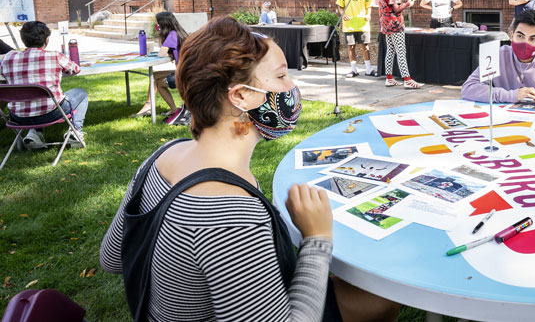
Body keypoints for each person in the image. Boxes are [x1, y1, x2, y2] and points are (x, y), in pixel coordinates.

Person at [100, 17, 400, 322]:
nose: (292, 87)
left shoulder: (162, 156)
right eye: (282, 76)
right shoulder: (231, 215)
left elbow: (111, 256)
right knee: (381, 298)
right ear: (241, 96)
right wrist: (317, 238)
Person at [0, 21, 87, 149]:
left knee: (33, 100)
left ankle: (34, 133)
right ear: (46, 39)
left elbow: (3, 73)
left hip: (17, 117)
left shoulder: (8, 58)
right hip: (50, 114)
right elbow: (75, 69)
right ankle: (75, 132)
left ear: (23, 39)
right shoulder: (55, 56)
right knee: (81, 93)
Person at [132, 12, 188, 120]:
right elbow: (171, 53)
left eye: (157, 23)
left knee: (156, 79)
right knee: (155, 76)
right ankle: (165, 108)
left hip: (184, 75)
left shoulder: (172, 34)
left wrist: (159, 34)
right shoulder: (178, 33)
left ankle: (149, 106)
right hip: (184, 70)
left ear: (164, 24)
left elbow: (161, 53)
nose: (156, 25)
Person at [379, 0, 422, 89]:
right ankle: (407, 80)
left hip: (386, 25)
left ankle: (389, 78)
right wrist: (408, 3)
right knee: (401, 52)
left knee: (390, 51)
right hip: (395, 25)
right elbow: (397, 9)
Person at [336, 0, 375, 77]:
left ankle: (368, 69)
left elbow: (369, 6)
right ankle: (354, 69)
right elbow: (340, 6)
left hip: (362, 24)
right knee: (350, 47)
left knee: (365, 46)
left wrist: (368, 15)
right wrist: (343, 14)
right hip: (349, 25)